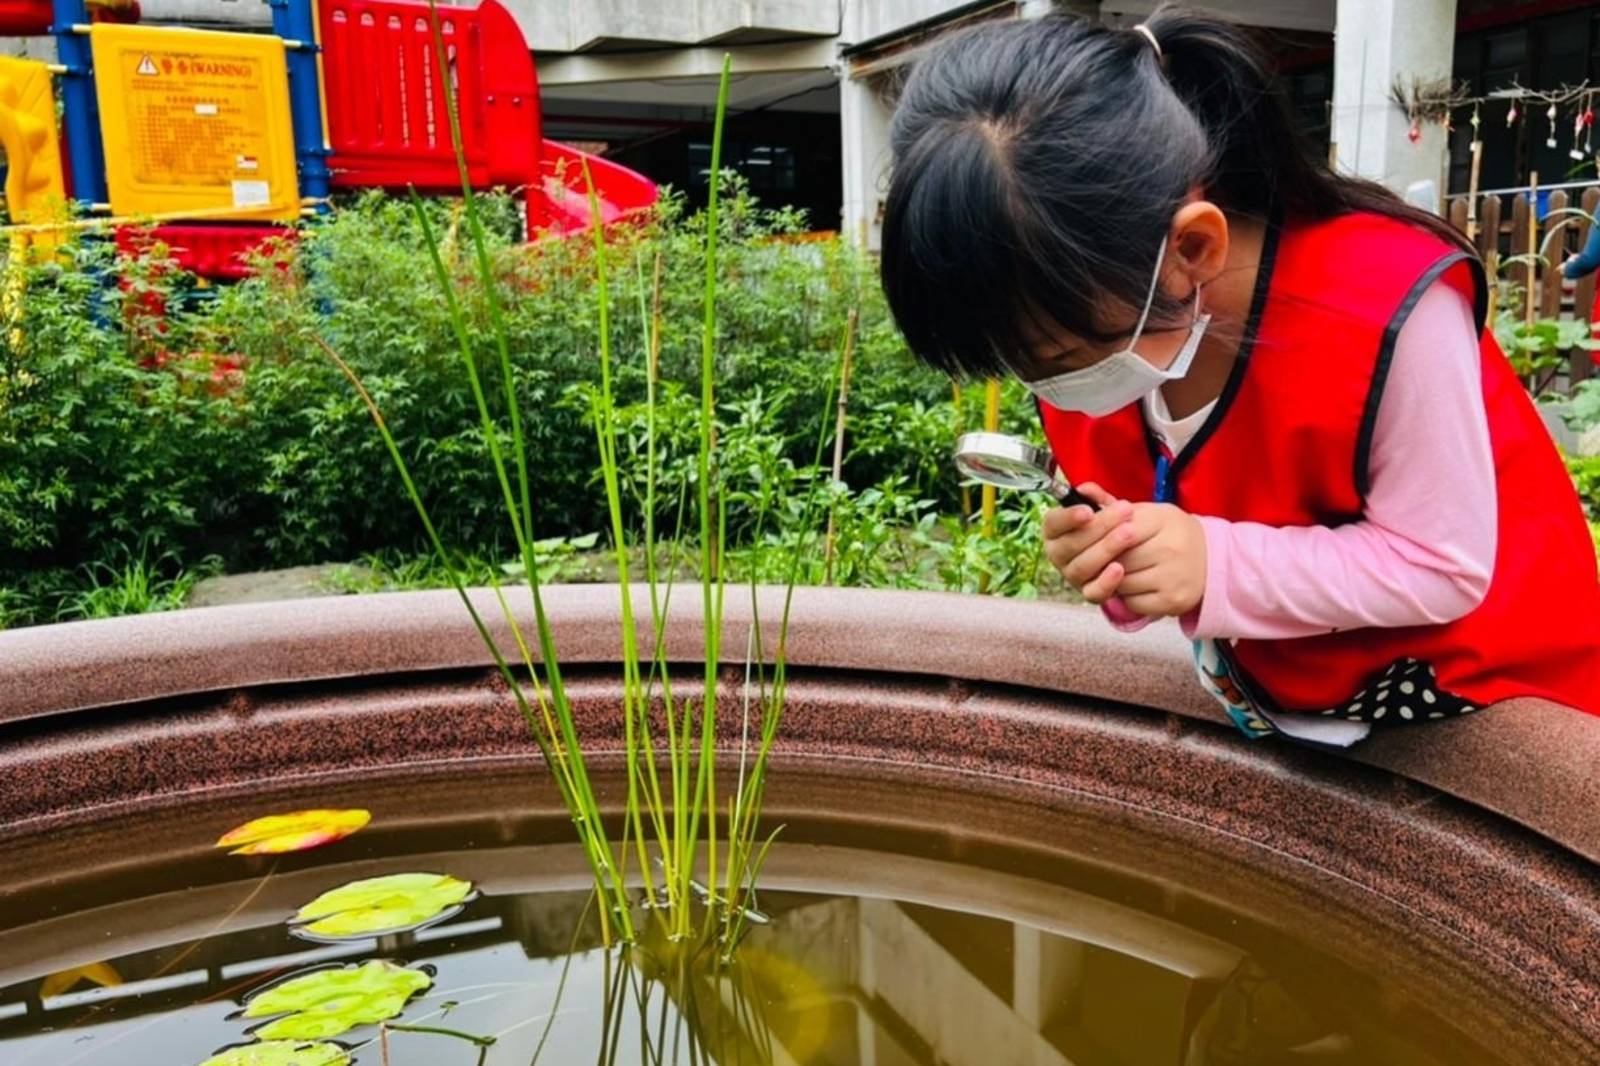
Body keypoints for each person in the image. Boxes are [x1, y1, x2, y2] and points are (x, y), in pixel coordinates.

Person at [878, 5, 1600, 744]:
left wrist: (1215, 562)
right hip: (1293, 706)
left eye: (1058, 363)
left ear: (1192, 249)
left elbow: (1441, 565)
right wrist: (1125, 562)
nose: (1047, 388)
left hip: (1482, 704)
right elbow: (1178, 518)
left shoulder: (1383, 305)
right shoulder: (1086, 319)